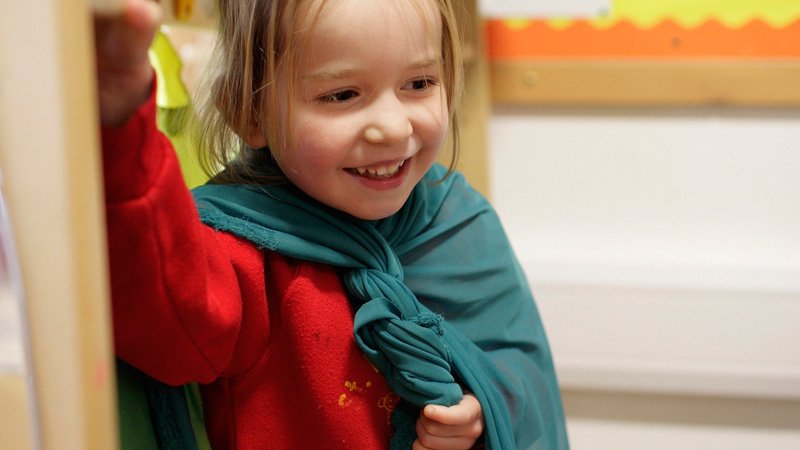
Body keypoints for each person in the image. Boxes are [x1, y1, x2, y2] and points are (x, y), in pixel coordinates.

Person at [95, 0, 569, 449]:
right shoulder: (237, 251)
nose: (394, 128)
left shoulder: (459, 220)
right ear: (247, 113)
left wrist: (481, 406)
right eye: (342, 95)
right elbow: (161, 315)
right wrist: (120, 123)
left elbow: (518, 369)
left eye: (419, 83)